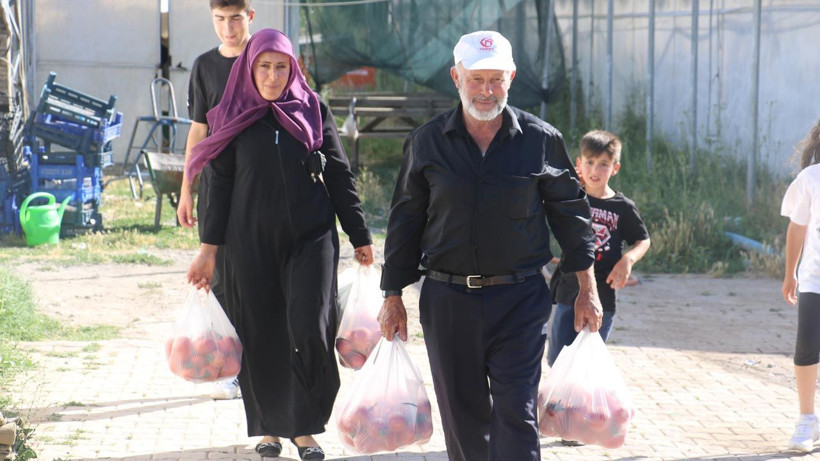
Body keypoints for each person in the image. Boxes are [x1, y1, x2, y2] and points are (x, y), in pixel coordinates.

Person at [377, 30, 603, 461]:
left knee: (517, 413)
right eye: (476, 79)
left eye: (496, 80)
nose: (486, 91)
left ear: (511, 78)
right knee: (462, 418)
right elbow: (405, 220)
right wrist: (392, 296)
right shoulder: (427, 142)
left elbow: (573, 217)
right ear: (455, 77)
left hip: (519, 299)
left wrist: (586, 288)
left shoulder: (540, 140)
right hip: (447, 300)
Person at [185, 28, 375, 460]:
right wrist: (208, 251)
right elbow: (218, 186)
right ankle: (270, 427)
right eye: (264, 67)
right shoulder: (228, 115)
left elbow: (340, 175)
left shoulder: (312, 109)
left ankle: (305, 428)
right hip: (247, 242)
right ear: (249, 69)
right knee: (262, 332)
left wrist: (359, 234)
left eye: (281, 67)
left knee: (309, 327)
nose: (272, 76)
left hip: (311, 239)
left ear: (293, 69)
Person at [178, 0, 255, 401]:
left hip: (260, 189)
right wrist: (187, 186)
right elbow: (198, 130)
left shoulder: (266, 60)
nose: (228, 28)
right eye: (220, 20)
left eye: (235, 19)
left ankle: (261, 366)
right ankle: (228, 367)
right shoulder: (203, 66)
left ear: (250, 17)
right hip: (215, 187)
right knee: (219, 275)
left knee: (258, 277)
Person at [548, 130, 650, 366]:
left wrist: (628, 260)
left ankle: (584, 405)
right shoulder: (571, 197)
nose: (595, 170)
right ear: (579, 164)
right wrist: (566, 184)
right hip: (567, 292)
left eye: (603, 164)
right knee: (558, 361)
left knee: (588, 365)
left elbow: (642, 240)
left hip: (602, 296)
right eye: (590, 162)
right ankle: (557, 404)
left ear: (615, 168)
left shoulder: (622, 207)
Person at [782, 120, 820, 453]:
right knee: (807, 346)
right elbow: (797, 228)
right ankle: (807, 418)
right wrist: (789, 272)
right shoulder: (811, 178)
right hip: (815, 280)